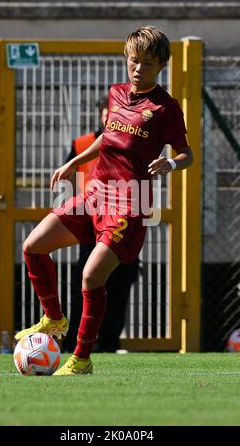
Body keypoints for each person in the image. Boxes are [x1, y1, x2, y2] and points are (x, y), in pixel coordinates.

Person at [15, 26, 193, 375]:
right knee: (33, 246)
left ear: (161, 65)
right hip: (96, 194)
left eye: (147, 63)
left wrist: (170, 163)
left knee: (90, 277)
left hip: (129, 204)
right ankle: (53, 319)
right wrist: (72, 163)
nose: (138, 68)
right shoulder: (116, 93)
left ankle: (81, 359)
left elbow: (187, 154)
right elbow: (108, 139)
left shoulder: (166, 107)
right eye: (133, 61)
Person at [62, 96, 139, 353]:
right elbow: (68, 183)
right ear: (102, 115)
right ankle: (74, 343)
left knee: (120, 286)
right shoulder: (81, 145)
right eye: (109, 113)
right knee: (83, 285)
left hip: (124, 222)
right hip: (92, 225)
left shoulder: (136, 143)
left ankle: (109, 343)